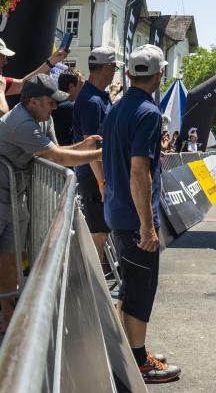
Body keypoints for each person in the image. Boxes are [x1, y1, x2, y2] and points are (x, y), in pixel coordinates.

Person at [99, 44, 181, 383]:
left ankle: (133, 351)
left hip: (118, 212)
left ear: (129, 74)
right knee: (140, 290)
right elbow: (139, 172)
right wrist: (148, 226)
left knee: (131, 287)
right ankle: (138, 363)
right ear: (159, 74)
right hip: (134, 219)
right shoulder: (148, 112)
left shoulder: (117, 108)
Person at [0, 75, 102, 332]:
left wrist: (83, 145)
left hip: (13, 197)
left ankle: (9, 318)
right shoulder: (21, 122)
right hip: (5, 197)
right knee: (6, 260)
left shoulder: (40, 117)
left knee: (10, 260)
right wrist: (103, 153)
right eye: (49, 103)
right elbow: (57, 158)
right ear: (32, 101)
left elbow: (56, 151)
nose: (54, 107)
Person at [72, 46, 123, 260]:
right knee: (98, 234)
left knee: (101, 231)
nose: (115, 73)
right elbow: (90, 145)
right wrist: (102, 182)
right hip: (93, 174)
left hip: (97, 172)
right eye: (114, 68)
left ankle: (96, 286)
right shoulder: (92, 101)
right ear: (108, 68)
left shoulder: (98, 96)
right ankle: (95, 290)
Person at [0, 38, 71, 117]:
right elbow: (2, 114)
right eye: (2, 57)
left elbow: (23, 84)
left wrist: (51, 61)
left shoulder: (2, 83)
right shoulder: (1, 85)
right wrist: (0, 91)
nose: (6, 62)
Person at [52, 68, 85, 145]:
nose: (83, 89)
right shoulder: (69, 107)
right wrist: (113, 93)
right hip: (64, 153)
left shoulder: (57, 103)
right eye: (81, 85)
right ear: (71, 87)